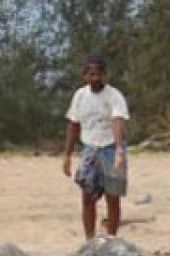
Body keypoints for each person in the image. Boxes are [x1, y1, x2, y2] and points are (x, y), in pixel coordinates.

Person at [62, 54, 130, 239]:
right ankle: (89, 239)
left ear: (105, 75)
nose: (96, 78)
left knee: (113, 197)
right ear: (85, 76)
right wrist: (67, 155)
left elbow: (117, 121)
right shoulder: (80, 96)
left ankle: (111, 239)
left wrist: (118, 151)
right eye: (91, 74)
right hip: (90, 149)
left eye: (99, 74)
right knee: (87, 197)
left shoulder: (114, 96)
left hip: (110, 148)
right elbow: (74, 124)